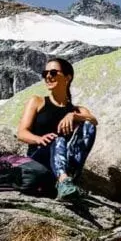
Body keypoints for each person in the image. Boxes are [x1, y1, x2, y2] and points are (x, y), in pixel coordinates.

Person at [16, 57, 97, 202]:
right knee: (58, 139)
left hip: (65, 162)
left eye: (53, 72)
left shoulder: (78, 110)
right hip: (40, 159)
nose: (48, 76)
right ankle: (63, 181)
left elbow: (93, 121)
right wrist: (38, 139)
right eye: (45, 73)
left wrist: (73, 115)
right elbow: (22, 133)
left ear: (67, 77)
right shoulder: (37, 102)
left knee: (88, 126)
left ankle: (67, 179)